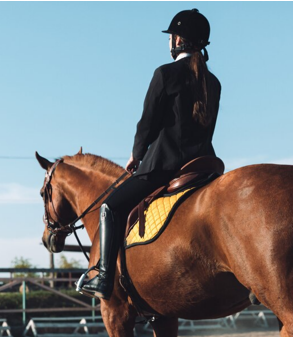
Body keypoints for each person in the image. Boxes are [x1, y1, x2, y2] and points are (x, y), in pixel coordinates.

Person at [78, 8, 222, 300]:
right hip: (204, 165)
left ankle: (104, 277)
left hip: (165, 165)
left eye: (171, 36)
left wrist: (137, 154)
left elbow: (148, 123)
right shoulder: (214, 82)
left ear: (178, 39)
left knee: (108, 207)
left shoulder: (165, 74)